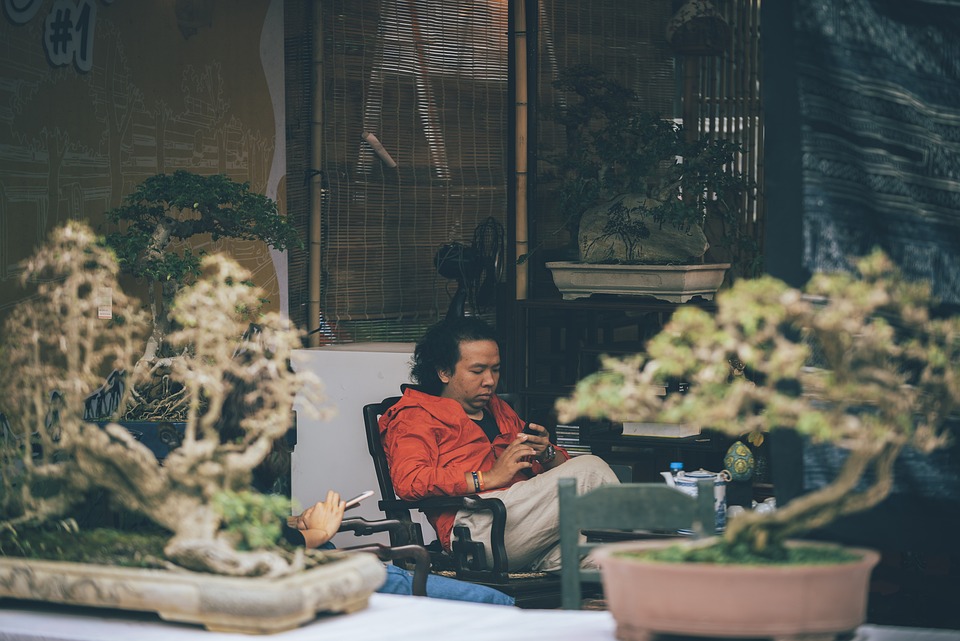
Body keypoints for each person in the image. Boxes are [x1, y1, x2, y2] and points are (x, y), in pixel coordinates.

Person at [379, 316, 620, 572]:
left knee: (619, 557)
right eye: (477, 370)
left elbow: (554, 475)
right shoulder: (415, 415)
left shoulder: (497, 409)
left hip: (529, 529)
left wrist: (546, 453)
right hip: (478, 531)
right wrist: (488, 477)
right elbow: (409, 481)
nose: (490, 381)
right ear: (444, 372)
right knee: (591, 469)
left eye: (495, 369)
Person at [285, 490, 515, 605]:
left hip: (311, 557)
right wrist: (318, 532)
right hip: (313, 564)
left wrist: (294, 524)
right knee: (495, 602)